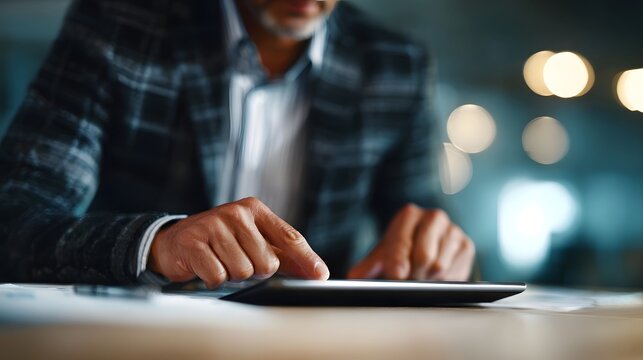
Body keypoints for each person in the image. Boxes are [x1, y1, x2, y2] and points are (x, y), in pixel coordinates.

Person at [0, 0, 475, 288]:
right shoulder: (117, 26)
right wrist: (158, 244)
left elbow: (420, 225)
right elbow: (15, 219)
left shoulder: (397, 67)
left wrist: (442, 252)